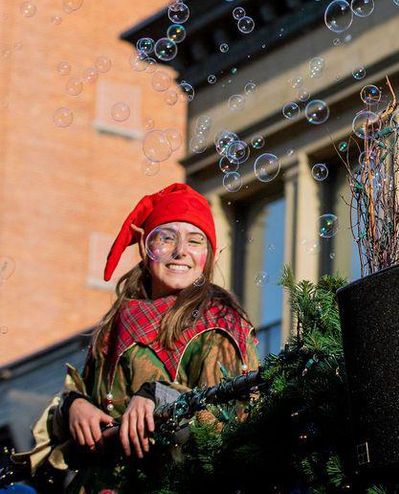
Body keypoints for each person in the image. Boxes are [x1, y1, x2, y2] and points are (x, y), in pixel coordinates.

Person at [12, 183, 259, 491]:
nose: (180, 250)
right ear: (145, 247)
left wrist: (160, 396)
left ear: (209, 256)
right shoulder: (115, 325)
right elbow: (78, 408)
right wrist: (73, 406)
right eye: (167, 237)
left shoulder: (221, 322)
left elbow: (228, 423)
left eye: (195, 240)